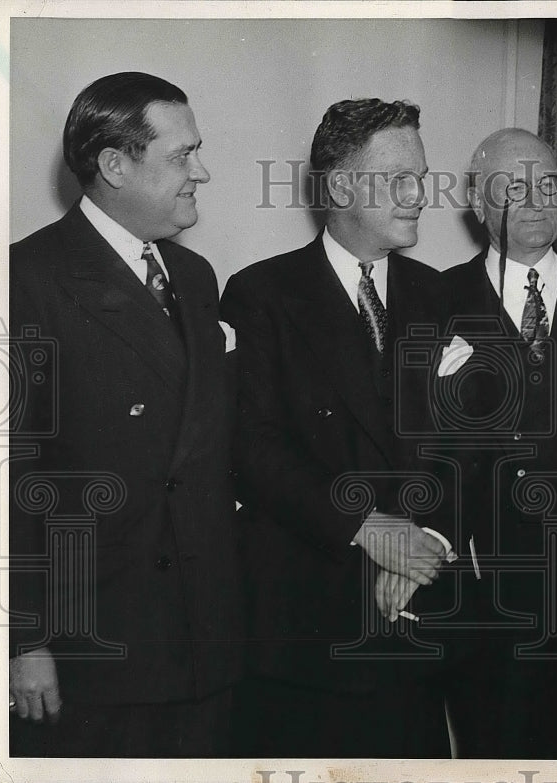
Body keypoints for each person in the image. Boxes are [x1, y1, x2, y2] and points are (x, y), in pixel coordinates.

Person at [8, 71, 242, 757]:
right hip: (98, 652)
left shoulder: (194, 278)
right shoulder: (26, 280)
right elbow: (9, 479)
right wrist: (27, 641)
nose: (202, 171)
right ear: (114, 164)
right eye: (181, 156)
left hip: (205, 643)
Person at [221, 98, 455, 758]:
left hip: (413, 624)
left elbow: (462, 444)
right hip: (307, 633)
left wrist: (424, 542)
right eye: (400, 178)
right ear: (343, 185)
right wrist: (367, 527)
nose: (419, 195)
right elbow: (252, 449)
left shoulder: (440, 296)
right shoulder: (261, 293)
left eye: (422, 176)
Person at [440, 128, 557, 758]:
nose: (534, 200)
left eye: (547, 184)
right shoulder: (440, 298)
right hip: (491, 582)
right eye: (512, 187)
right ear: (477, 203)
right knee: (499, 743)